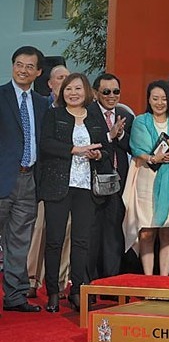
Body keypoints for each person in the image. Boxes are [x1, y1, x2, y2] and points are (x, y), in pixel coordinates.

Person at [39, 72, 111, 312]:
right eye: (68, 89)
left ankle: (78, 290)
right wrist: (74, 149)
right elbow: (46, 144)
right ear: (63, 92)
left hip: (86, 187)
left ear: (87, 91)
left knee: (82, 241)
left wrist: (98, 155)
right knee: (55, 241)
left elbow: (106, 150)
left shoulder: (94, 117)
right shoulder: (54, 114)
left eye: (78, 89)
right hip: (58, 185)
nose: (73, 93)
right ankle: (52, 291)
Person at [0, 46, 46, 313]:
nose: (23, 70)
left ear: (38, 72)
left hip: (29, 179)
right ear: (12, 65)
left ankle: (15, 296)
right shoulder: (1, 95)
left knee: (19, 241)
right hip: (3, 177)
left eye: (30, 66)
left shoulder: (42, 103)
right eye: (19, 64)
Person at [122, 80, 169, 276]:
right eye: (155, 98)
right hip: (146, 178)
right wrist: (153, 158)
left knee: (167, 231)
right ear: (149, 99)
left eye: (164, 99)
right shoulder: (140, 121)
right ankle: (148, 278)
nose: (159, 103)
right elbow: (138, 148)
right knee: (146, 231)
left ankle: (164, 280)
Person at [27, 64, 72, 300]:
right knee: (40, 230)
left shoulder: (78, 110)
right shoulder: (40, 107)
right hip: (43, 178)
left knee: (65, 232)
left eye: (68, 77)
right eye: (60, 77)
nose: (64, 82)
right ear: (50, 83)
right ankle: (31, 279)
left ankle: (62, 282)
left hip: (69, 180)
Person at [87, 73, 134, 281]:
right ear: (96, 93)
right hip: (93, 181)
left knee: (115, 231)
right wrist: (109, 135)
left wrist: (121, 135)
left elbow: (131, 147)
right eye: (106, 92)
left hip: (118, 181)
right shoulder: (87, 114)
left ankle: (112, 281)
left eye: (116, 91)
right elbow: (88, 142)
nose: (111, 95)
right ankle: (93, 281)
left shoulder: (126, 115)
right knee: (93, 232)